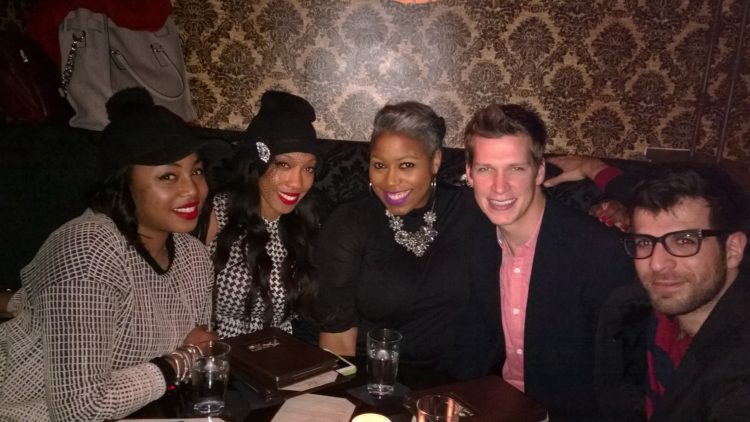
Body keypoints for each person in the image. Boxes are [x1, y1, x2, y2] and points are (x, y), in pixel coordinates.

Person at [0, 88, 216, 421]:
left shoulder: (194, 256)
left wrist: (185, 358)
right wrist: (178, 362)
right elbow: (79, 408)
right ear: (123, 183)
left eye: (196, 171)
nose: (192, 190)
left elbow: (199, 346)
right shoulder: (89, 249)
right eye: (168, 176)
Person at [455, 103, 635, 420]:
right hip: (492, 406)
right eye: (485, 169)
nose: (499, 186)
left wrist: (596, 169)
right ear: (469, 174)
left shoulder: (597, 252)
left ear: (539, 171)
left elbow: (622, 376)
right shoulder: (471, 236)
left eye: (516, 169)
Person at [316, 101, 485, 371]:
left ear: (435, 161)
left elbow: (524, 198)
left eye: (406, 165)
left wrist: (566, 171)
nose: (390, 181)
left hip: (451, 380)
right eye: (379, 165)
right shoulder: (350, 223)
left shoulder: (467, 209)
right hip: (371, 377)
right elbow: (337, 340)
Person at [595, 163, 750, 421]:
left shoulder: (738, 378)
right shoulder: (633, 309)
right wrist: (594, 168)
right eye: (645, 242)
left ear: (732, 250)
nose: (657, 264)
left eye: (684, 241)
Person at [203, 91, 321, 338]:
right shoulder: (217, 213)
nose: (298, 183)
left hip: (281, 352)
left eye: (308, 169)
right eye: (283, 165)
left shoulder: (306, 221)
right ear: (258, 161)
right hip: (220, 350)